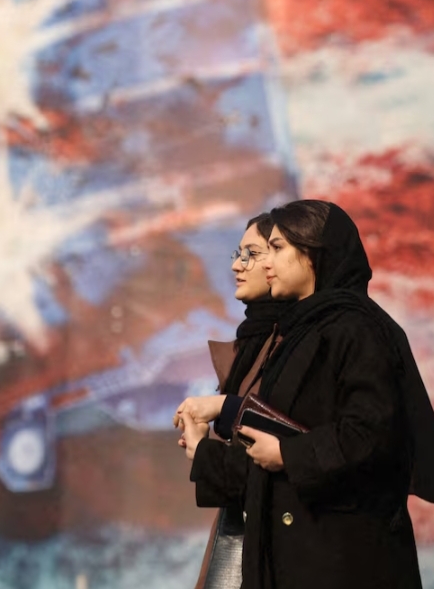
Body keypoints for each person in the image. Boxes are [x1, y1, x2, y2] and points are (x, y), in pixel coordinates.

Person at [181, 200, 434, 589]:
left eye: (276, 249)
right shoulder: (302, 332)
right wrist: (209, 450)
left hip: (342, 559)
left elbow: (372, 435)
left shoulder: (357, 328)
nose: (266, 262)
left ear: (312, 255)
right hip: (299, 552)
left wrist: (285, 454)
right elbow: (279, 443)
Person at [175, 212, 291, 589]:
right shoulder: (254, 343)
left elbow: (287, 460)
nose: (236, 265)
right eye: (238, 253)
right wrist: (204, 447)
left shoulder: (293, 346)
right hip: (243, 536)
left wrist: (206, 447)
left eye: (252, 254)